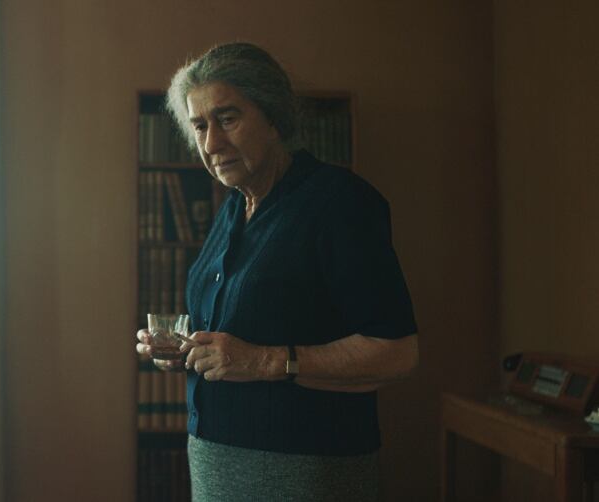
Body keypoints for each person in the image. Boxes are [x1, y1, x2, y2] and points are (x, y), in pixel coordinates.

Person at [135, 42, 419, 502]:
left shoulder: (338, 203)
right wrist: (187, 351)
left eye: (228, 119)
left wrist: (263, 361)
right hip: (215, 465)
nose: (211, 144)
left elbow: (398, 352)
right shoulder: (233, 210)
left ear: (274, 117)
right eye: (200, 126)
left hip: (306, 473)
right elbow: (242, 335)